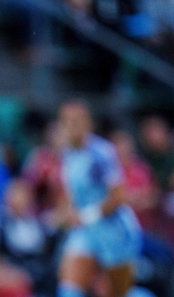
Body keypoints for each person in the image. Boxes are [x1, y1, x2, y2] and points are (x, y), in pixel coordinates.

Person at [56, 100, 143, 297]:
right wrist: (63, 214)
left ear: (88, 124)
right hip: (86, 232)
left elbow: (119, 196)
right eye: (66, 121)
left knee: (118, 293)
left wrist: (85, 216)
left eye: (76, 121)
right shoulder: (67, 153)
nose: (71, 126)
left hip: (115, 232)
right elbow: (72, 193)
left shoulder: (102, 153)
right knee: (68, 289)